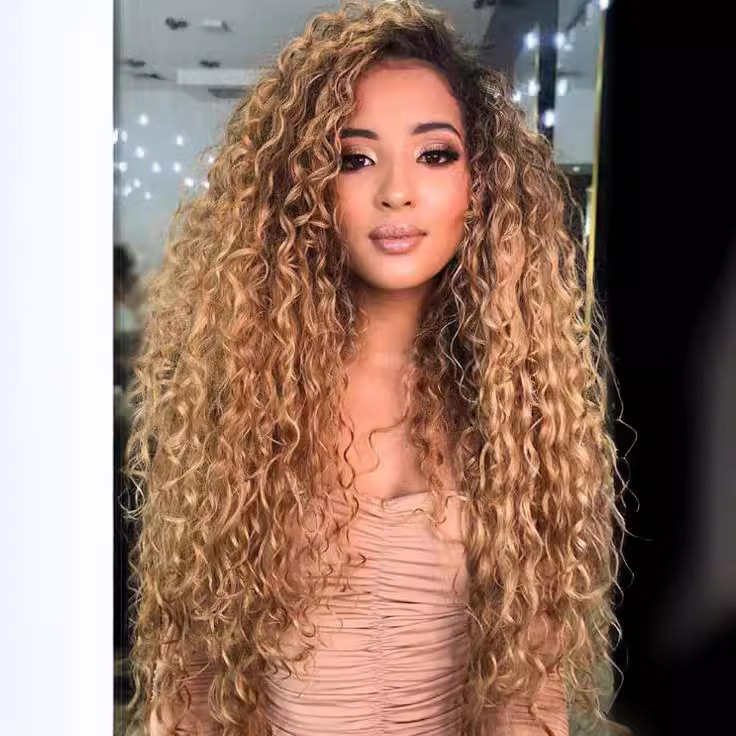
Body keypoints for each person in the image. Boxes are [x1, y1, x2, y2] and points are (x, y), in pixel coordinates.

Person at [123, 2, 626, 734]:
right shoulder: (237, 408)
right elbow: (190, 696)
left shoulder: (525, 418)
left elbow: (529, 699)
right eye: (355, 158)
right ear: (304, 189)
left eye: (435, 154)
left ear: (480, 184)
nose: (396, 189)